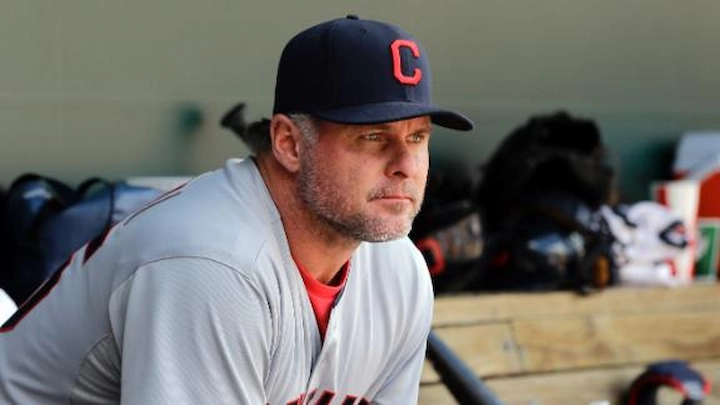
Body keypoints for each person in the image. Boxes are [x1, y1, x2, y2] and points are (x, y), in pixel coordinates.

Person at [0, 15, 473, 404]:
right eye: (372, 137)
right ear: (289, 143)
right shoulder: (209, 264)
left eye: (417, 137)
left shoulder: (399, 271)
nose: (406, 165)